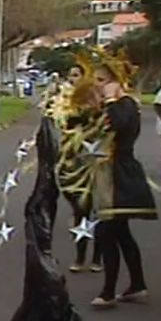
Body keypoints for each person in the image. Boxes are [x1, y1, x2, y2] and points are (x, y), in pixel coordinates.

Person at [89, 61, 157, 309]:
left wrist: (109, 100)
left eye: (102, 81)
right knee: (120, 233)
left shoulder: (125, 105)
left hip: (120, 175)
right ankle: (137, 286)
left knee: (108, 232)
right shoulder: (113, 106)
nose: (97, 86)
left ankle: (108, 292)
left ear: (116, 82)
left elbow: (117, 125)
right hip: (108, 172)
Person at [60, 63, 102, 273]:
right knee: (80, 209)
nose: (72, 79)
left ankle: (97, 257)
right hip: (73, 162)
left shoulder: (97, 102)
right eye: (70, 75)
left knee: (97, 210)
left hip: (95, 162)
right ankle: (80, 256)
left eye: (76, 75)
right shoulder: (65, 102)